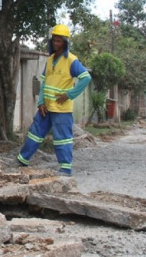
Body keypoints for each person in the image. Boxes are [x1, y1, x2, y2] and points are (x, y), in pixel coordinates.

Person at [17, 24, 91, 176]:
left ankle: (65, 169)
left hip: (62, 110)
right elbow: (44, 83)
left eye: (59, 41)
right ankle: (22, 160)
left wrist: (69, 95)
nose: (56, 43)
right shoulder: (50, 59)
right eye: (54, 40)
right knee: (34, 133)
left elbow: (86, 78)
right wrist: (41, 102)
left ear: (65, 42)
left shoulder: (71, 60)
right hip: (46, 107)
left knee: (62, 139)